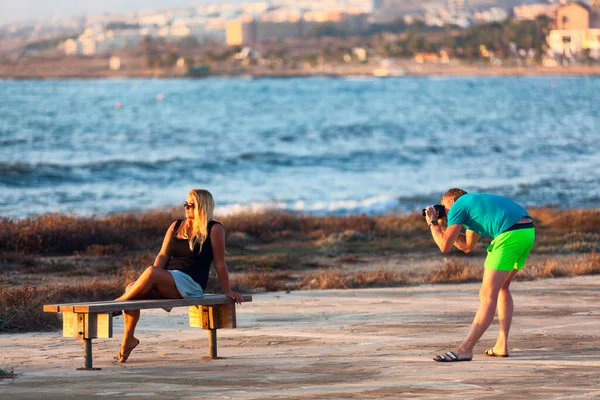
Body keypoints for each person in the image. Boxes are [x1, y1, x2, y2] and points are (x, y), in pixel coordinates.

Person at [114, 188, 243, 363]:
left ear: (202, 207)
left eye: (191, 205)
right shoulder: (176, 226)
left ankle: (116, 305)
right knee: (132, 287)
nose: (187, 208)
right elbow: (162, 255)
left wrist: (228, 290)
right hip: (169, 279)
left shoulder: (214, 229)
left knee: (148, 275)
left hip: (191, 284)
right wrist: (153, 279)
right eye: (185, 204)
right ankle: (128, 339)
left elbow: (220, 263)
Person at [424, 188, 535, 363]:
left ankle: (465, 349)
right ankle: (501, 345)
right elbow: (467, 246)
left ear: (452, 200)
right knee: (502, 288)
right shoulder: (473, 208)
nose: (445, 212)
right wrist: (444, 225)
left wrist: (432, 223)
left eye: (444, 208)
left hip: (509, 234)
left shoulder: (459, 205)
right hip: (526, 231)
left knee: (487, 296)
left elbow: (444, 246)